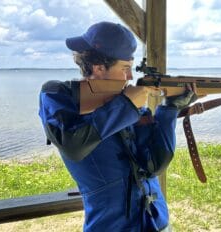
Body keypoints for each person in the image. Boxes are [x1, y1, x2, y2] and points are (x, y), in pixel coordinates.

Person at [38, 21, 196, 232]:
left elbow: (154, 165)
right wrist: (126, 105)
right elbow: (73, 145)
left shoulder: (128, 104)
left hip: (157, 223)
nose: (130, 77)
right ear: (99, 67)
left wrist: (169, 110)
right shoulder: (58, 95)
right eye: (125, 69)